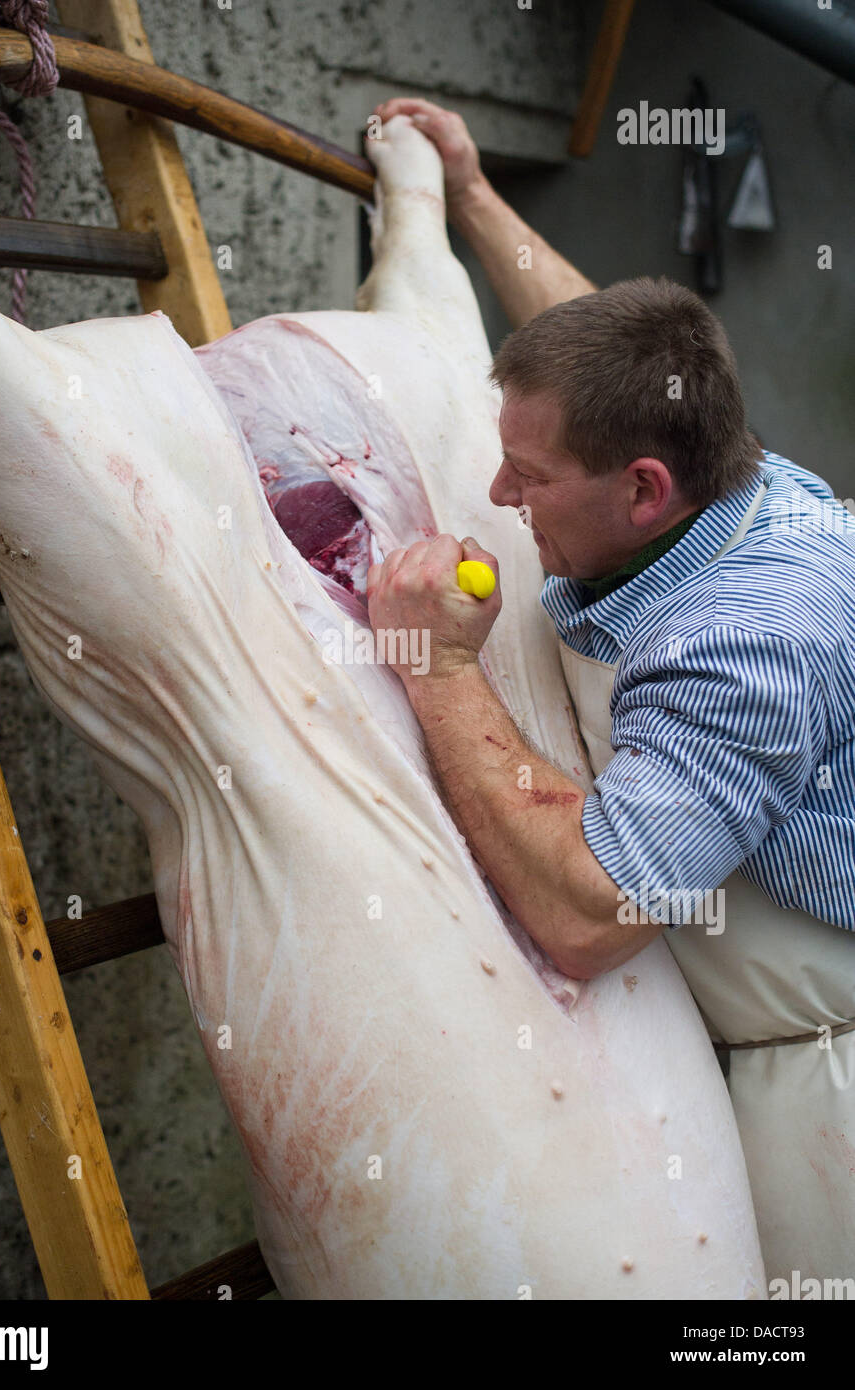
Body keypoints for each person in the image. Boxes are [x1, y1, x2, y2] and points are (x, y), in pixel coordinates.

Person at [366, 96, 855, 1288]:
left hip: (828, 1079)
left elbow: (592, 912)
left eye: (524, 475)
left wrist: (434, 666)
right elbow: (607, 353)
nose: (495, 486)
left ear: (642, 491)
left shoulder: (745, 639)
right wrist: (472, 197)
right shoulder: (733, 472)